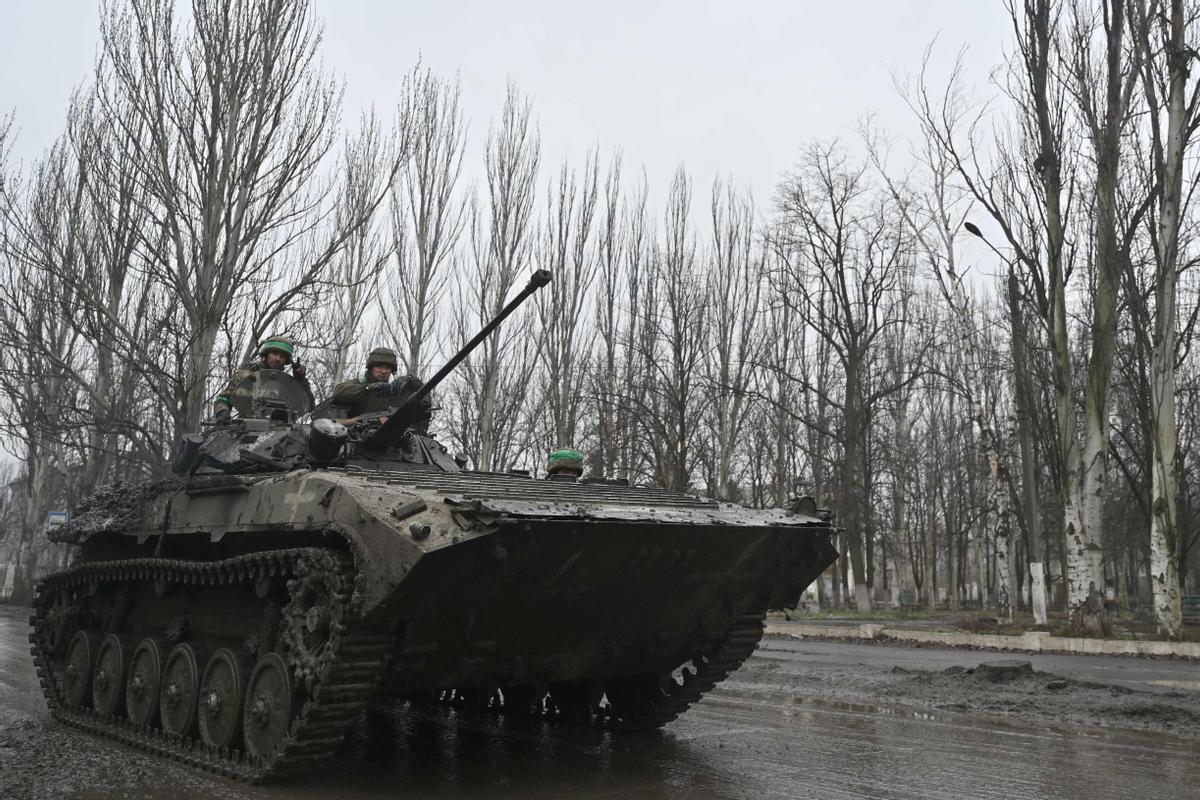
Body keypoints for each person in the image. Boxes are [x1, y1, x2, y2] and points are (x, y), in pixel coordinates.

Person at [212, 335, 313, 423]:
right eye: (274, 353)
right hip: (249, 428)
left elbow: (310, 406)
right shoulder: (248, 377)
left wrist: (301, 381)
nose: (278, 359)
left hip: (284, 432)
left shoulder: (287, 384)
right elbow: (223, 399)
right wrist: (222, 414)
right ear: (266, 354)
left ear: (286, 360)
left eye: (282, 356)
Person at [329, 346, 431, 429]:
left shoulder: (393, 391)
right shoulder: (361, 382)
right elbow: (339, 391)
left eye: (387, 368)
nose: (384, 371)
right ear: (371, 368)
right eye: (379, 367)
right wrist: (370, 388)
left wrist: (412, 380)